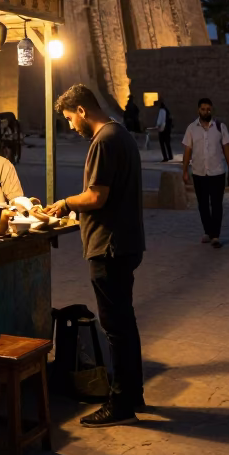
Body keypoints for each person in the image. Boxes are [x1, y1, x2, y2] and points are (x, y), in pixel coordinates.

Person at [45, 84, 145, 427]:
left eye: (70, 118)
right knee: (124, 325)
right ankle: (133, 394)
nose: (71, 126)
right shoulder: (121, 133)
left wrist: (65, 203)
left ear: (82, 111)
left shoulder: (104, 140)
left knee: (116, 327)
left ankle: (120, 404)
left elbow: (96, 197)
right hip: (125, 242)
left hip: (110, 246)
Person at [181, 98, 229, 248]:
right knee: (203, 205)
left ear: (212, 110)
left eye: (209, 109)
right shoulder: (191, 128)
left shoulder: (220, 127)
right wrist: (185, 170)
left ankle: (215, 235)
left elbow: (227, 149)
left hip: (217, 172)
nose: (206, 112)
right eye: (203, 109)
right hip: (199, 172)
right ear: (199, 110)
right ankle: (208, 230)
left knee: (217, 204)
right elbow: (187, 151)